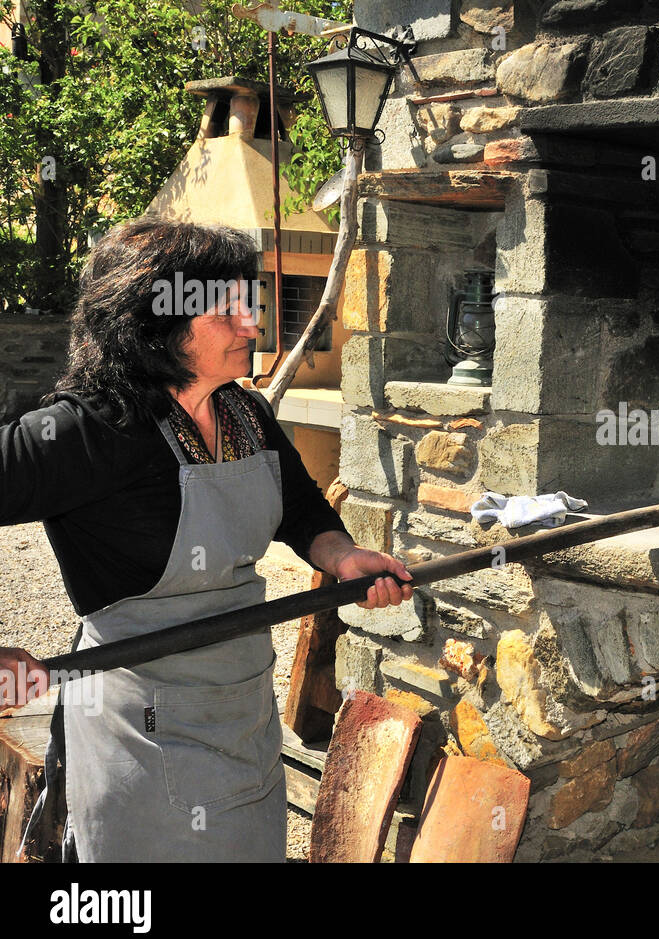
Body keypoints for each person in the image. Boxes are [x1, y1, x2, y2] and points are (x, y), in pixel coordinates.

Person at [0, 217, 414, 862]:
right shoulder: (88, 430)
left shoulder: (244, 412)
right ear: (154, 325)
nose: (253, 325)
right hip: (141, 722)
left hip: (242, 704)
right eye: (230, 312)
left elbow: (300, 507)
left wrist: (341, 555)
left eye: (252, 306)